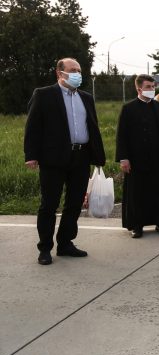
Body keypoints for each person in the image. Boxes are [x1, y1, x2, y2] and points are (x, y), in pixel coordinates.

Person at [24, 58, 106, 265]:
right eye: (72, 70)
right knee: (49, 204)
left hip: (81, 156)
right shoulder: (44, 95)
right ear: (60, 73)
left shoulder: (86, 98)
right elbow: (33, 126)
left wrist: (97, 156)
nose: (77, 74)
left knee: (75, 203)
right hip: (53, 157)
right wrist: (31, 155)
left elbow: (93, 127)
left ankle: (65, 243)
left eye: (79, 70)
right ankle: (45, 248)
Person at [116, 74, 159, 238]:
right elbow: (122, 135)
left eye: (153, 87)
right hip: (136, 160)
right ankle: (137, 226)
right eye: (148, 87)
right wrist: (124, 158)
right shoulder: (128, 108)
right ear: (139, 89)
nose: (152, 89)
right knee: (138, 193)